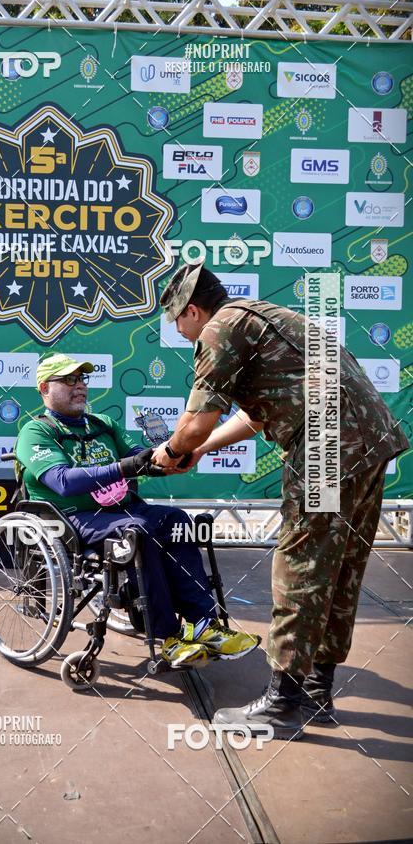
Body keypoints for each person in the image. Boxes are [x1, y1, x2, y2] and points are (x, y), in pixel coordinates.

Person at [153, 260, 409, 739]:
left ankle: (283, 701)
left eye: (177, 321)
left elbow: (194, 423)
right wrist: (200, 452)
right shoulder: (262, 317)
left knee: (301, 566)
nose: (179, 332)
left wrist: (172, 452)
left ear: (192, 310)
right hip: (368, 441)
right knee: (340, 568)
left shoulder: (220, 329)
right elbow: (252, 419)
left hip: (327, 446)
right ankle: (315, 692)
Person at [14, 352, 260, 668]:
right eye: (69, 380)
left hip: (123, 510)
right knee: (139, 533)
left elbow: (137, 457)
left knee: (177, 520)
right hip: (73, 518)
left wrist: (170, 459)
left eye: (82, 379)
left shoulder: (103, 424)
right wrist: (124, 467)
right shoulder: (36, 432)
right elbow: (62, 481)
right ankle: (169, 636)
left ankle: (204, 624)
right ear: (45, 388)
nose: (80, 387)